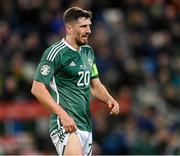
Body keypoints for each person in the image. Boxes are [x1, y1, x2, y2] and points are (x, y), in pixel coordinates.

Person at [31, 6, 119, 155]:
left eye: (89, 26)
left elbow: (95, 84)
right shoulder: (55, 53)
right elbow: (37, 88)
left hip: (85, 125)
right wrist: (63, 115)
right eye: (84, 26)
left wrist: (109, 98)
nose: (89, 30)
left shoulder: (88, 52)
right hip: (65, 123)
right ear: (69, 28)